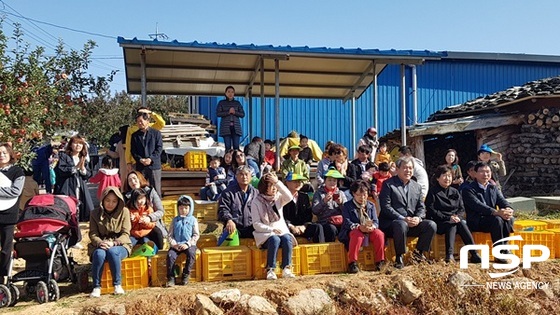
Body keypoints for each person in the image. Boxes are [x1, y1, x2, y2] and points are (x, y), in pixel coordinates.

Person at [378, 157, 437, 269]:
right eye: (404, 168)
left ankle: (418, 254)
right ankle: (399, 257)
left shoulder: (417, 186)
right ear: (398, 169)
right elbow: (386, 207)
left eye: (410, 168)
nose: (408, 170)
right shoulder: (388, 184)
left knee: (431, 225)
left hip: (411, 222)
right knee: (401, 224)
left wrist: (418, 218)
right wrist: (402, 218)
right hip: (392, 223)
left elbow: (421, 207)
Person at [425, 165, 481, 263]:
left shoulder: (455, 191)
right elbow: (431, 210)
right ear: (438, 178)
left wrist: (458, 217)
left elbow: (461, 208)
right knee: (452, 224)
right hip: (440, 221)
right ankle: (449, 254)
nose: (447, 178)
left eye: (450, 176)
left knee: (461, 223)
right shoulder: (433, 192)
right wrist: (448, 217)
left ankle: (474, 253)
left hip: (455, 220)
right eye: (444, 176)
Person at [461, 162, 515, 263]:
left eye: (487, 172)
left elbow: (502, 201)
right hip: (477, 220)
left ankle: (504, 247)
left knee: (509, 218)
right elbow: (477, 206)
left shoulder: (493, 187)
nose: (485, 174)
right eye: (482, 172)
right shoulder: (468, 189)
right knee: (497, 219)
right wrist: (496, 212)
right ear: (475, 174)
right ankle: (498, 253)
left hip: (492, 218)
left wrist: (508, 209)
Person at [252, 172, 297, 280]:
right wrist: (271, 229)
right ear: (264, 187)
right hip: (265, 233)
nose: (274, 188)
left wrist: (277, 182)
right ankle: (270, 269)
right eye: (270, 185)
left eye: (274, 186)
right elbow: (256, 223)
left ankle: (286, 268)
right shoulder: (256, 202)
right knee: (274, 239)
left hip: (281, 231)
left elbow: (289, 196)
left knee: (286, 238)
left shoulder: (278, 198)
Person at [88, 187, 130, 298]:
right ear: (102, 200)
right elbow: (93, 234)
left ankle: (117, 285)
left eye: (114, 201)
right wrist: (100, 243)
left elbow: (126, 233)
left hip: (120, 244)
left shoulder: (124, 212)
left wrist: (115, 243)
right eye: (107, 200)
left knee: (113, 252)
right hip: (101, 243)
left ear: (118, 202)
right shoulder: (94, 213)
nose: (110, 204)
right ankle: (96, 287)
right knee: (99, 254)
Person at [339, 180, 385, 273]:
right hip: (353, 230)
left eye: (364, 194)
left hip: (368, 230)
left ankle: (380, 261)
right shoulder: (347, 206)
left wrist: (372, 227)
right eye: (359, 195)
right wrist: (359, 227)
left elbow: (376, 221)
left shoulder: (371, 205)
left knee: (379, 234)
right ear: (353, 194)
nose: (362, 197)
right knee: (357, 235)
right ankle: (353, 263)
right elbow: (347, 222)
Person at [54, 135, 94, 222]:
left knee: (84, 209)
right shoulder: (64, 156)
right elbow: (61, 170)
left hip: (80, 187)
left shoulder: (83, 158)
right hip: (67, 186)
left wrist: (82, 169)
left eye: (80, 143)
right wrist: (75, 168)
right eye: (75, 143)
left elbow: (88, 174)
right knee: (68, 207)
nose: (78, 145)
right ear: (71, 145)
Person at [123, 171, 168, 250]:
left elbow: (161, 211)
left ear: (139, 178)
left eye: (134, 178)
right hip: (134, 227)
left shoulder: (150, 191)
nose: (133, 182)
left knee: (154, 237)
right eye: (130, 180)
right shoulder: (126, 196)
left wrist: (149, 218)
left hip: (151, 225)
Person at [0, 143, 25, 283]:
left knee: (5, 248)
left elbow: (15, 191)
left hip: (9, 215)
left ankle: (3, 276)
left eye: (4, 152)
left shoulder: (17, 171)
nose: (1, 155)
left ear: (10, 154)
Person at [166, 195, 199, 287]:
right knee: (170, 256)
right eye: (181, 208)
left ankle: (186, 274)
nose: (183, 210)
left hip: (189, 244)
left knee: (191, 254)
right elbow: (170, 235)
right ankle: (171, 278)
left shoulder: (193, 220)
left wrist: (187, 244)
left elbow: (196, 235)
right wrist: (174, 244)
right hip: (176, 244)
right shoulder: (175, 220)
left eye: (186, 208)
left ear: (190, 208)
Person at [218, 165, 259, 239]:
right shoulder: (228, 192)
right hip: (234, 227)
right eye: (241, 174)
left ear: (251, 177)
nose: (244, 177)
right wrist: (229, 220)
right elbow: (223, 209)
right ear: (236, 177)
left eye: (246, 174)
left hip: (252, 228)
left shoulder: (256, 193)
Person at [283, 172, 325, 243]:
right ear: (287, 182)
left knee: (318, 227)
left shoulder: (304, 196)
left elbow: (308, 215)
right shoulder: (281, 197)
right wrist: (291, 226)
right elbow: (281, 216)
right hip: (287, 227)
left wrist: (304, 226)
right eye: (295, 181)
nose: (298, 184)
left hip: (302, 227)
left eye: (299, 181)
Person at [130, 110, 163, 197]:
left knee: (156, 190)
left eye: (141, 121)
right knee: (141, 189)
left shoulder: (156, 133)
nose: (139, 123)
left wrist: (150, 159)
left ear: (147, 121)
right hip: (141, 166)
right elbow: (133, 151)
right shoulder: (135, 136)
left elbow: (159, 149)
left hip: (154, 166)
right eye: (137, 122)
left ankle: (157, 208)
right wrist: (140, 159)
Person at [312, 167, 347, 242]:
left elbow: (347, 210)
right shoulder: (318, 193)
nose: (332, 182)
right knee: (331, 229)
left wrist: (341, 204)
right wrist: (324, 201)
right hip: (325, 222)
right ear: (325, 181)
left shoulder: (341, 193)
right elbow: (315, 210)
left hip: (340, 221)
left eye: (334, 180)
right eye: (329, 180)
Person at [124, 108, 165, 172]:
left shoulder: (152, 126)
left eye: (145, 113)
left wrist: (151, 113)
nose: (140, 123)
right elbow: (129, 146)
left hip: (151, 162)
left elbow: (162, 123)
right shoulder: (132, 129)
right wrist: (128, 162)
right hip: (136, 161)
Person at [217, 85, 245, 150]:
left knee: (236, 147)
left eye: (232, 92)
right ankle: (227, 159)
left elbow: (242, 114)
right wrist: (228, 112)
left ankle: (236, 159)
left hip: (236, 128)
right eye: (228, 92)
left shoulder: (237, 103)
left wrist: (235, 112)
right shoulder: (221, 103)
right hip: (225, 127)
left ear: (234, 93)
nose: (230, 93)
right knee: (228, 147)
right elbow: (218, 113)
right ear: (225, 93)